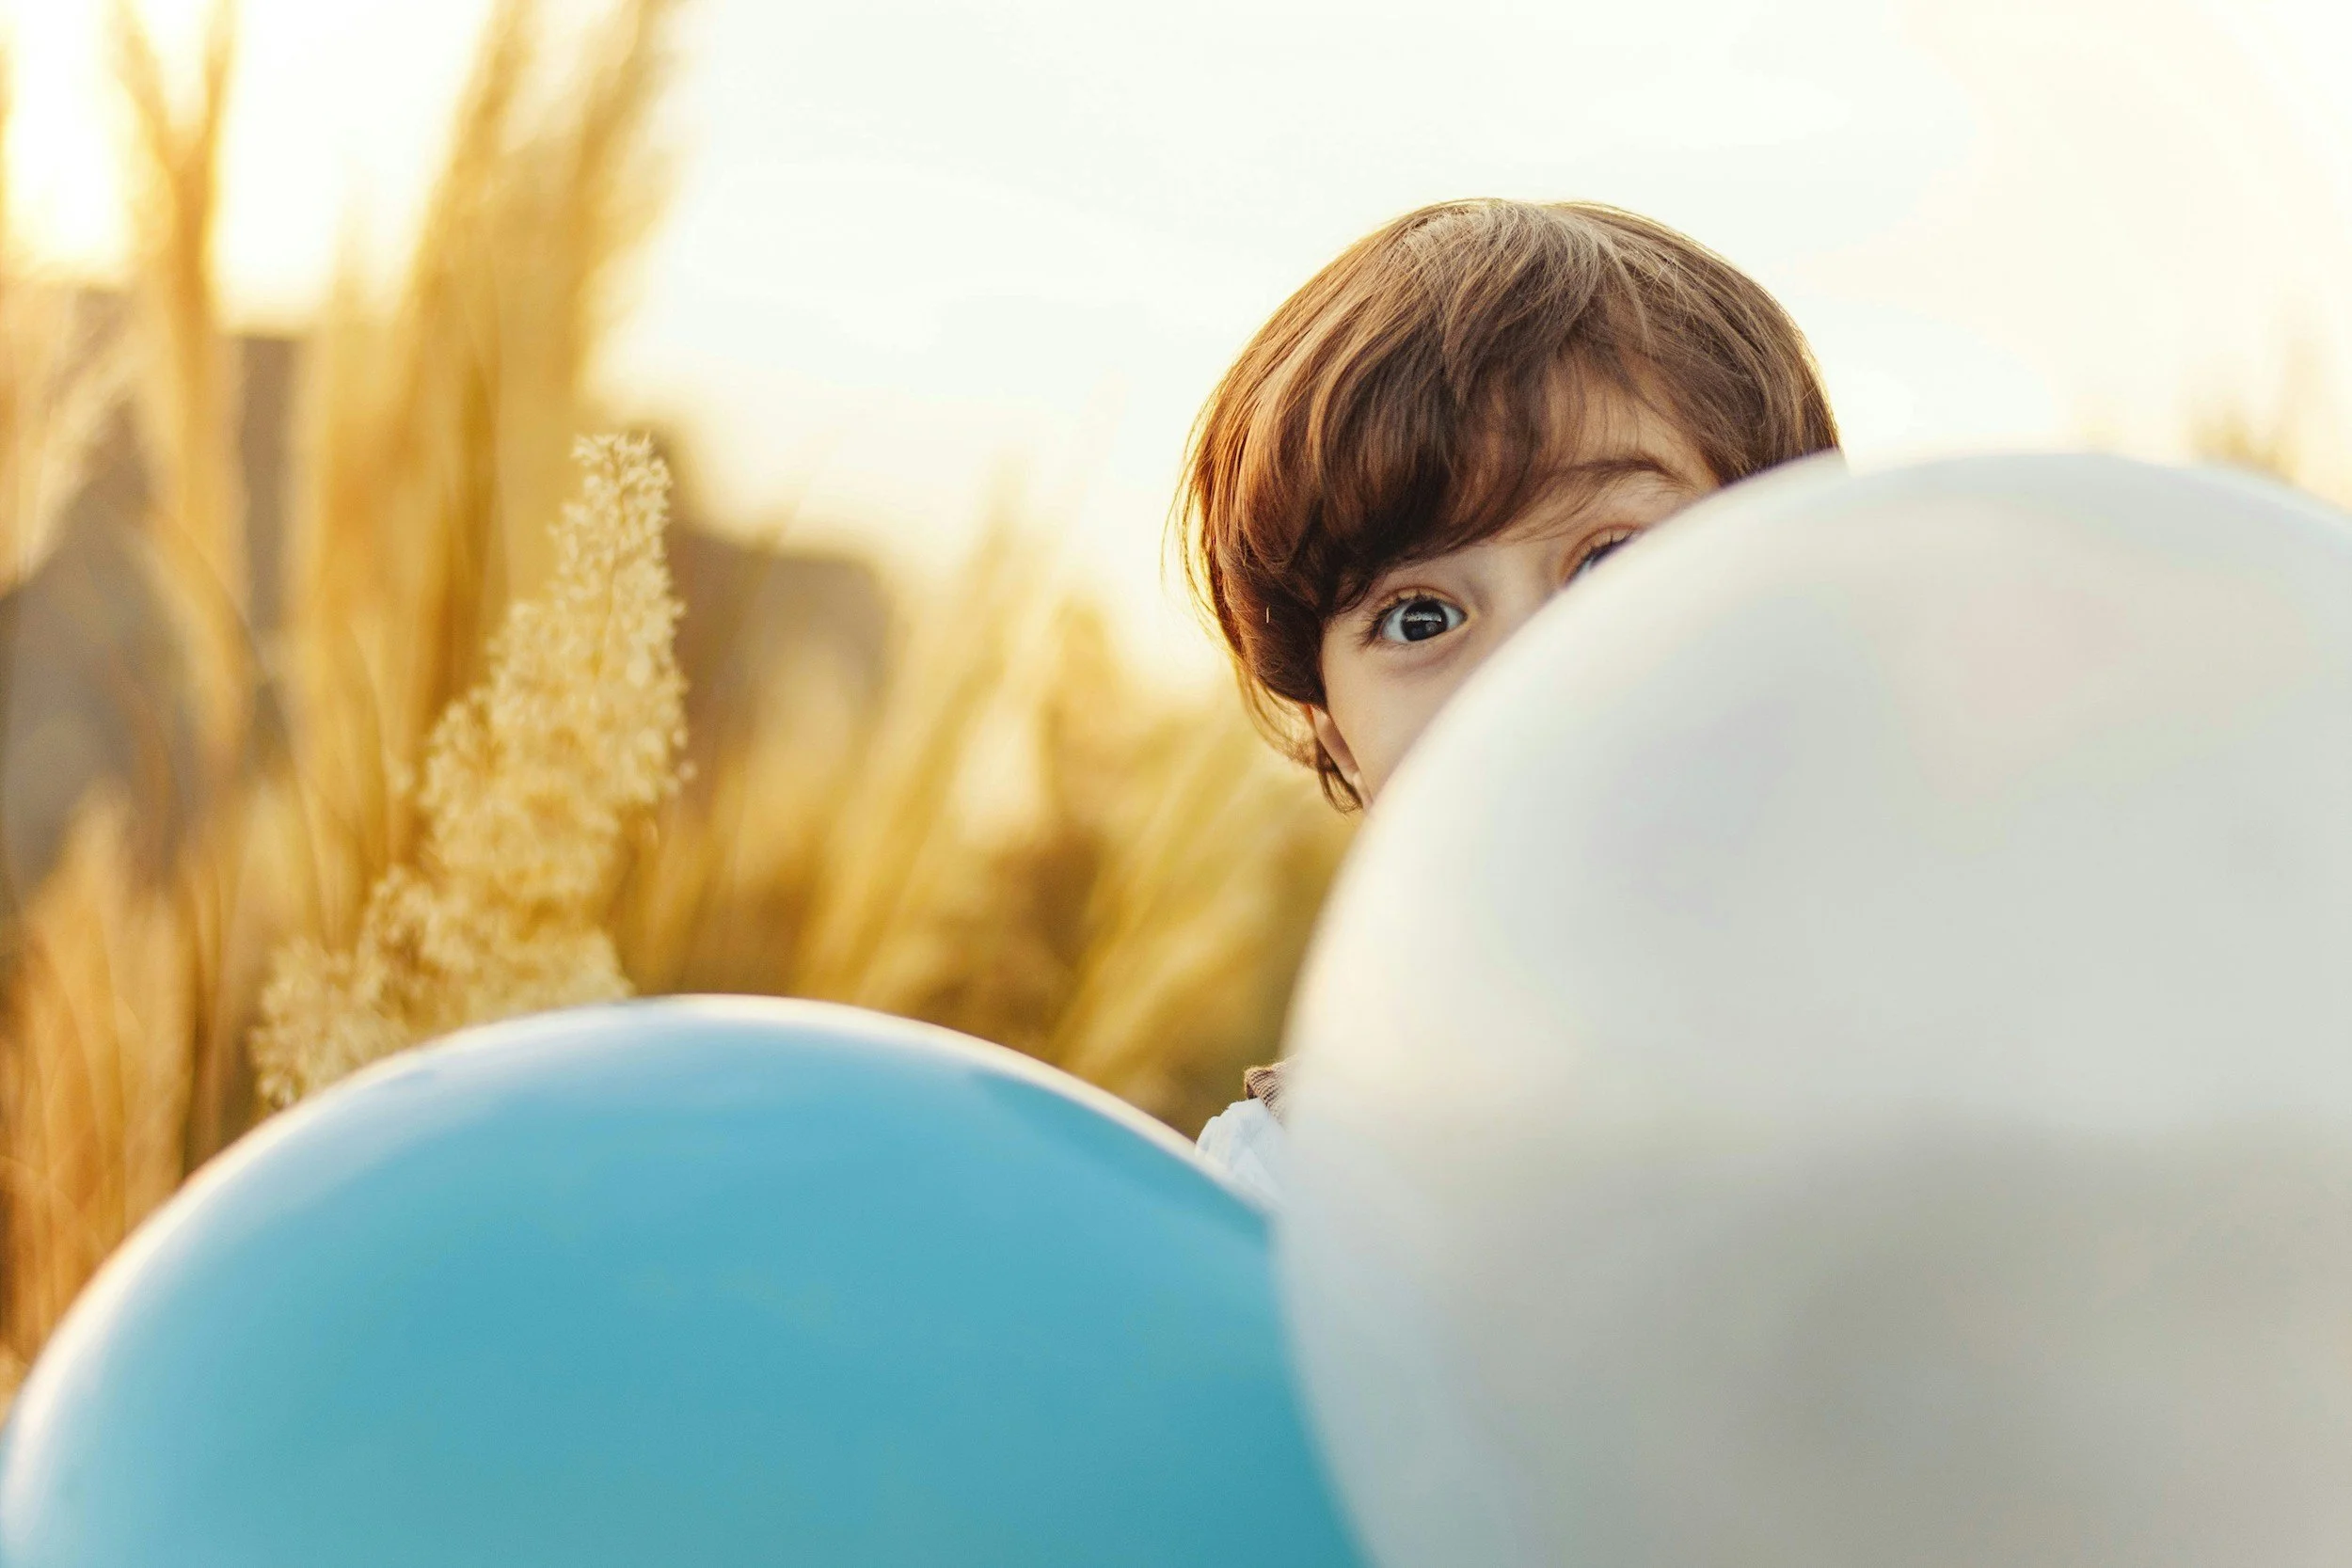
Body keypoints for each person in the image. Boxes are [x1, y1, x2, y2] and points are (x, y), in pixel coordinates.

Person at [1183, 198, 1839, 1203]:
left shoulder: (1950, 1074)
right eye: (1418, 618)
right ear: (1333, 729)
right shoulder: (1289, 1189)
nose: (1531, 665)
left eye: (1614, 557)